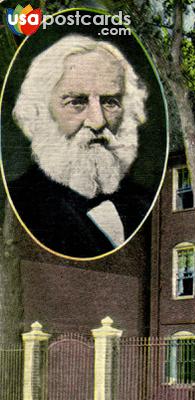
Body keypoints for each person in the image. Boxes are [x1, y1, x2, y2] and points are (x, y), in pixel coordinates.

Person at [7, 34, 150, 259]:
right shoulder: (16, 205)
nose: (98, 121)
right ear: (39, 112)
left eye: (110, 102)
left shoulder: (146, 204)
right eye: (76, 102)